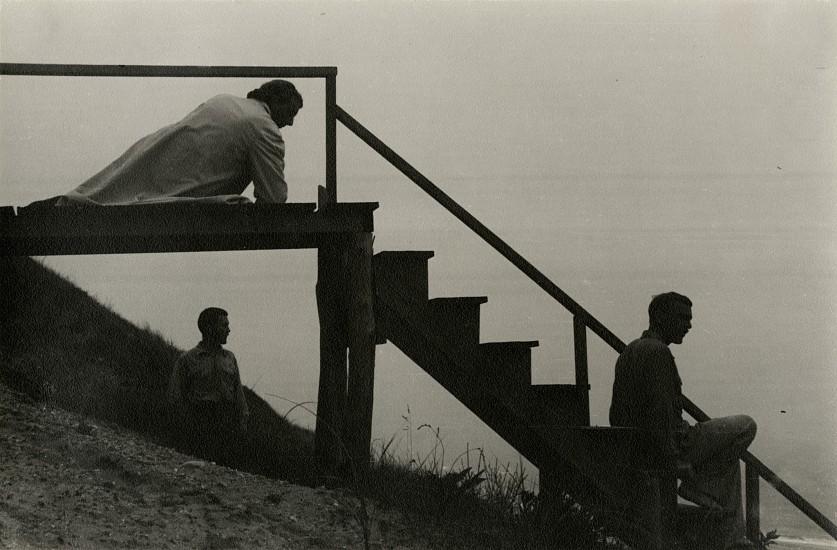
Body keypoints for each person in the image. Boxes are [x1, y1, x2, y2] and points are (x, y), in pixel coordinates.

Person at [610, 292, 757, 549]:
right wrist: (674, 460)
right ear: (659, 318)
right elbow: (660, 415)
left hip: (637, 449)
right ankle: (705, 500)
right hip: (673, 445)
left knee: (730, 461)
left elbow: (618, 413)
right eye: (682, 318)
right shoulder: (658, 353)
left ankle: (726, 527)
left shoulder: (631, 350)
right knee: (745, 426)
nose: (688, 325)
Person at [43, 80, 301, 207]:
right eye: (290, 113)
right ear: (275, 101)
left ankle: (62, 203)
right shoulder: (264, 127)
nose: (289, 123)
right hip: (179, 183)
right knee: (120, 202)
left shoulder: (224, 100)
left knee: (107, 190)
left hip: (156, 157)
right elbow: (274, 198)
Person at [167, 307, 250, 465]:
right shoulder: (187, 359)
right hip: (200, 424)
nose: (229, 330)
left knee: (225, 472)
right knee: (200, 470)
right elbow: (175, 397)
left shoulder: (230, 357)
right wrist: (186, 427)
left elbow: (238, 393)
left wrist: (242, 421)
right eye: (223, 326)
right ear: (209, 328)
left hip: (226, 423)